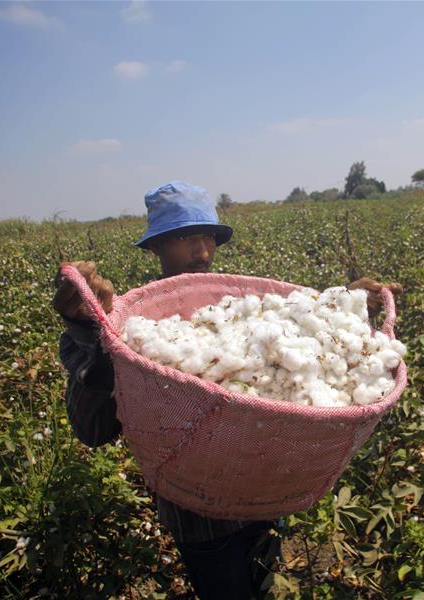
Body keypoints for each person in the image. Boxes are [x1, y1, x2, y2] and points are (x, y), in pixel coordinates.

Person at [52, 181, 403, 599]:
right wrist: (92, 332)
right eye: (185, 238)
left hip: (270, 492)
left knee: (265, 577)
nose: (201, 250)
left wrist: (343, 304)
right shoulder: (133, 328)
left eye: (208, 238)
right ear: (156, 249)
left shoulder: (237, 309)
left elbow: (295, 333)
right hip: (199, 516)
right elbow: (92, 430)